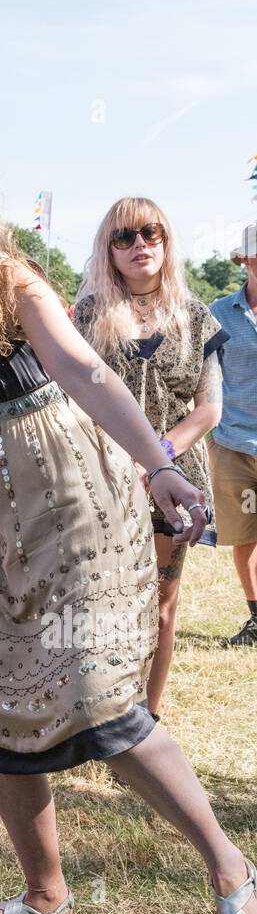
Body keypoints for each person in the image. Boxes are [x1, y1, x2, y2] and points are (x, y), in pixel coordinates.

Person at [0, 128, 256, 914]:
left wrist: (159, 466)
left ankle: (235, 878)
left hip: (69, 487)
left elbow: (86, 374)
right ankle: (44, 894)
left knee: (97, 695)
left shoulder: (11, 280)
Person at [72, 199, 225, 714]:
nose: (140, 245)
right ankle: (97, 709)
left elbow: (208, 410)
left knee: (160, 605)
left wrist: (154, 457)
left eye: (150, 233)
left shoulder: (197, 316)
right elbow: (70, 395)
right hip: (99, 475)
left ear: (166, 242)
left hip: (174, 477)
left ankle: (146, 717)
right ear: (108, 250)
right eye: (124, 237)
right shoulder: (88, 315)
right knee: (98, 601)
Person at [207, 223, 257, 647]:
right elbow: (203, 379)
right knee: (245, 535)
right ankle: (256, 618)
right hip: (233, 444)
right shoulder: (219, 313)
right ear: (245, 260)